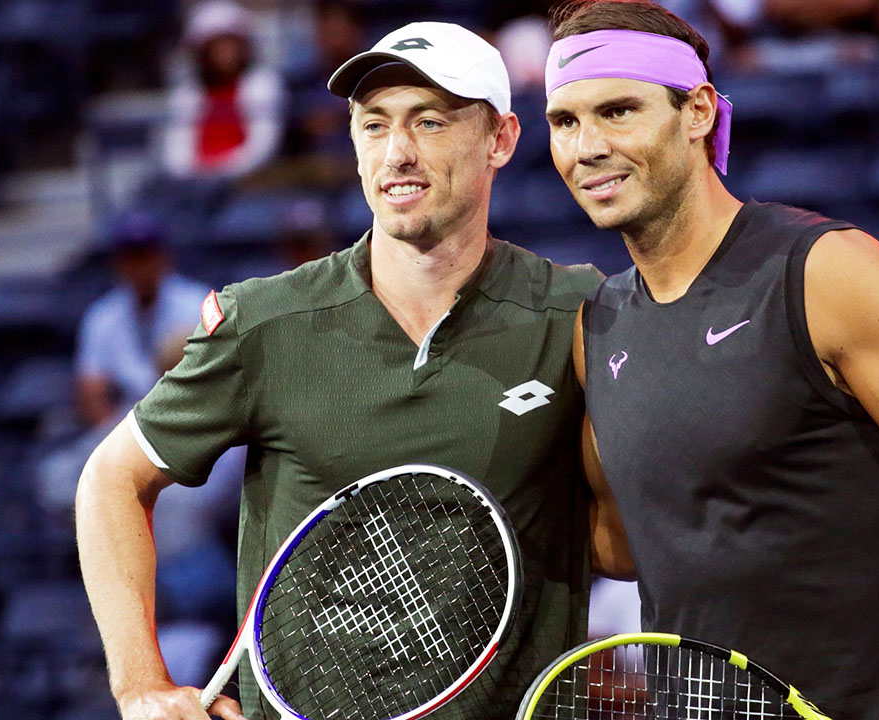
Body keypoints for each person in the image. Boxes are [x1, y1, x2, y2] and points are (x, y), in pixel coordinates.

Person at [77, 21, 603, 720]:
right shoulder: (264, 323)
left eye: (432, 122)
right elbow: (111, 477)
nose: (399, 153)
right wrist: (139, 682)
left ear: (500, 139)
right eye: (374, 124)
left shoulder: (580, 312)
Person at [543, 2, 879, 718]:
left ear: (696, 112)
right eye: (564, 122)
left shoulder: (826, 274)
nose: (586, 146)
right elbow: (629, 545)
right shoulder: (596, 326)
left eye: (618, 111)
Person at [76, 213, 211, 429]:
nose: (140, 265)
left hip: (190, 421)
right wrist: (117, 440)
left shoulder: (199, 303)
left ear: (164, 256)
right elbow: (92, 392)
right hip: (126, 424)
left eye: (146, 255)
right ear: (118, 263)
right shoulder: (102, 316)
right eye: (132, 257)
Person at [162, 0, 286, 180]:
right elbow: (175, 153)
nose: (225, 52)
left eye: (230, 43)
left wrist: (222, 170)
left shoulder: (263, 84)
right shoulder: (186, 93)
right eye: (217, 45)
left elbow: (262, 147)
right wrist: (198, 172)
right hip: (194, 183)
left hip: (247, 184)